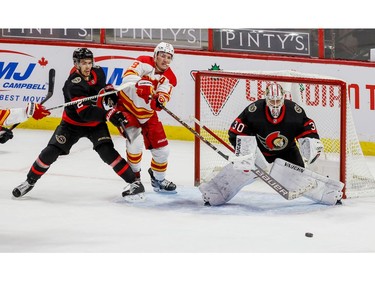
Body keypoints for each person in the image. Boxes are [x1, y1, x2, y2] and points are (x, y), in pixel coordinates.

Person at [12, 47, 145, 200]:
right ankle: (29, 182)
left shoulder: (99, 72)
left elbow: (102, 90)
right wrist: (109, 114)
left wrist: (109, 93)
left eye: (89, 62)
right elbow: (85, 113)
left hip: (95, 124)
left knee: (107, 152)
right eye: (83, 63)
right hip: (71, 125)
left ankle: (135, 183)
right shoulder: (73, 84)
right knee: (50, 152)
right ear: (76, 64)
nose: (87, 66)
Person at [199, 82, 343, 206]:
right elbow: (234, 132)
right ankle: (214, 192)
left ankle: (329, 193)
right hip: (259, 153)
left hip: (287, 151)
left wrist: (312, 143)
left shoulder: (294, 111)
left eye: (278, 101)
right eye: (271, 101)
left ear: (283, 99)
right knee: (243, 168)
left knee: (299, 179)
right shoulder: (254, 111)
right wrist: (244, 153)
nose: (275, 105)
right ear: (266, 99)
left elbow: (308, 129)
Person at [108, 42, 177, 193]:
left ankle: (158, 179)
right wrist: (141, 83)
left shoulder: (170, 77)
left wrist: (158, 100)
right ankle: (135, 180)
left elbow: (164, 96)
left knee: (163, 151)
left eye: (169, 57)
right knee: (135, 143)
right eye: (163, 55)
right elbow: (127, 78)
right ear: (156, 55)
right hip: (126, 108)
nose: (165, 60)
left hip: (147, 115)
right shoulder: (144, 61)